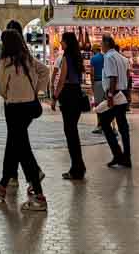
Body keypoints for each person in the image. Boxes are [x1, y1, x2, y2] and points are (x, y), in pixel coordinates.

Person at [0, 29, 50, 212]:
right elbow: (45, 70)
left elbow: (0, 88)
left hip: (14, 108)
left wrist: (11, 95)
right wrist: (36, 91)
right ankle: (2, 185)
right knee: (16, 144)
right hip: (30, 107)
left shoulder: (6, 62)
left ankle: (39, 197)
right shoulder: (28, 58)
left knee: (22, 149)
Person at [51, 31, 88, 180]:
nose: (60, 43)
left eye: (62, 41)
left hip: (68, 95)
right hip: (77, 94)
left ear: (67, 42)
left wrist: (54, 97)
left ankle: (77, 169)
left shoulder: (66, 57)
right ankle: (79, 167)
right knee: (73, 131)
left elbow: (62, 80)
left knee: (70, 132)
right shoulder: (77, 57)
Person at [97, 34, 132, 168]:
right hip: (122, 95)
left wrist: (110, 95)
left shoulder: (109, 57)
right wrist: (127, 93)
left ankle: (118, 154)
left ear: (106, 44)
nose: (101, 46)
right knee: (123, 127)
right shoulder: (122, 58)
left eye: (102, 44)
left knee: (105, 123)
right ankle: (126, 157)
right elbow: (128, 77)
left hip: (115, 95)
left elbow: (113, 77)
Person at [89, 47, 105, 134]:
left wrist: (92, 85)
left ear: (95, 50)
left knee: (98, 105)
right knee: (107, 104)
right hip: (107, 82)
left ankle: (99, 125)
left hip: (98, 82)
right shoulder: (106, 57)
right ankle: (108, 125)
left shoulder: (94, 59)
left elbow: (92, 73)